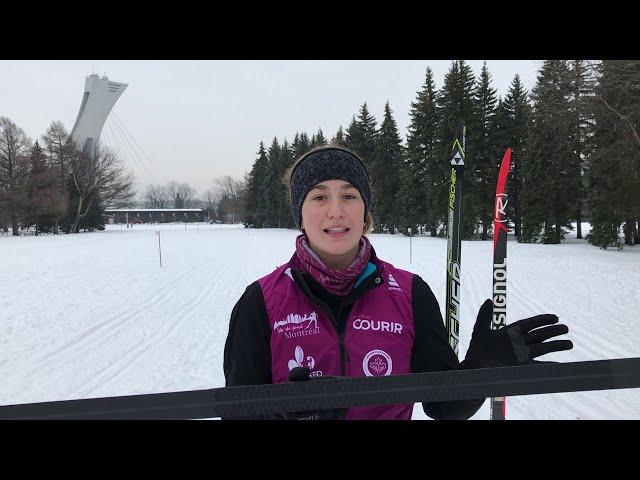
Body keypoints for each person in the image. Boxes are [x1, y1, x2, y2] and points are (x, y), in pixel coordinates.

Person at [223, 145, 573, 420]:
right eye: (318, 197)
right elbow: (236, 412)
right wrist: (286, 410)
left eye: (349, 195)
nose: (335, 211)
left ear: (365, 211)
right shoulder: (261, 302)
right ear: (300, 214)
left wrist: (483, 370)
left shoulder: (409, 293)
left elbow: (445, 407)